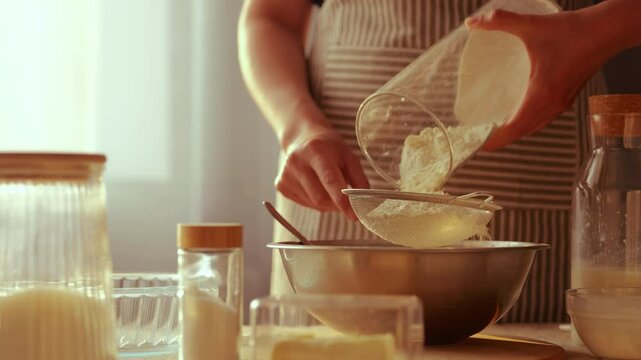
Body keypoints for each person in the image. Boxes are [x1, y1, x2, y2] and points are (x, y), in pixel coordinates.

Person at [238, 0, 641, 322]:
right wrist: (298, 127)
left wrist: (599, 30)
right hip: (338, 176)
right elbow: (270, 15)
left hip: (539, 162)